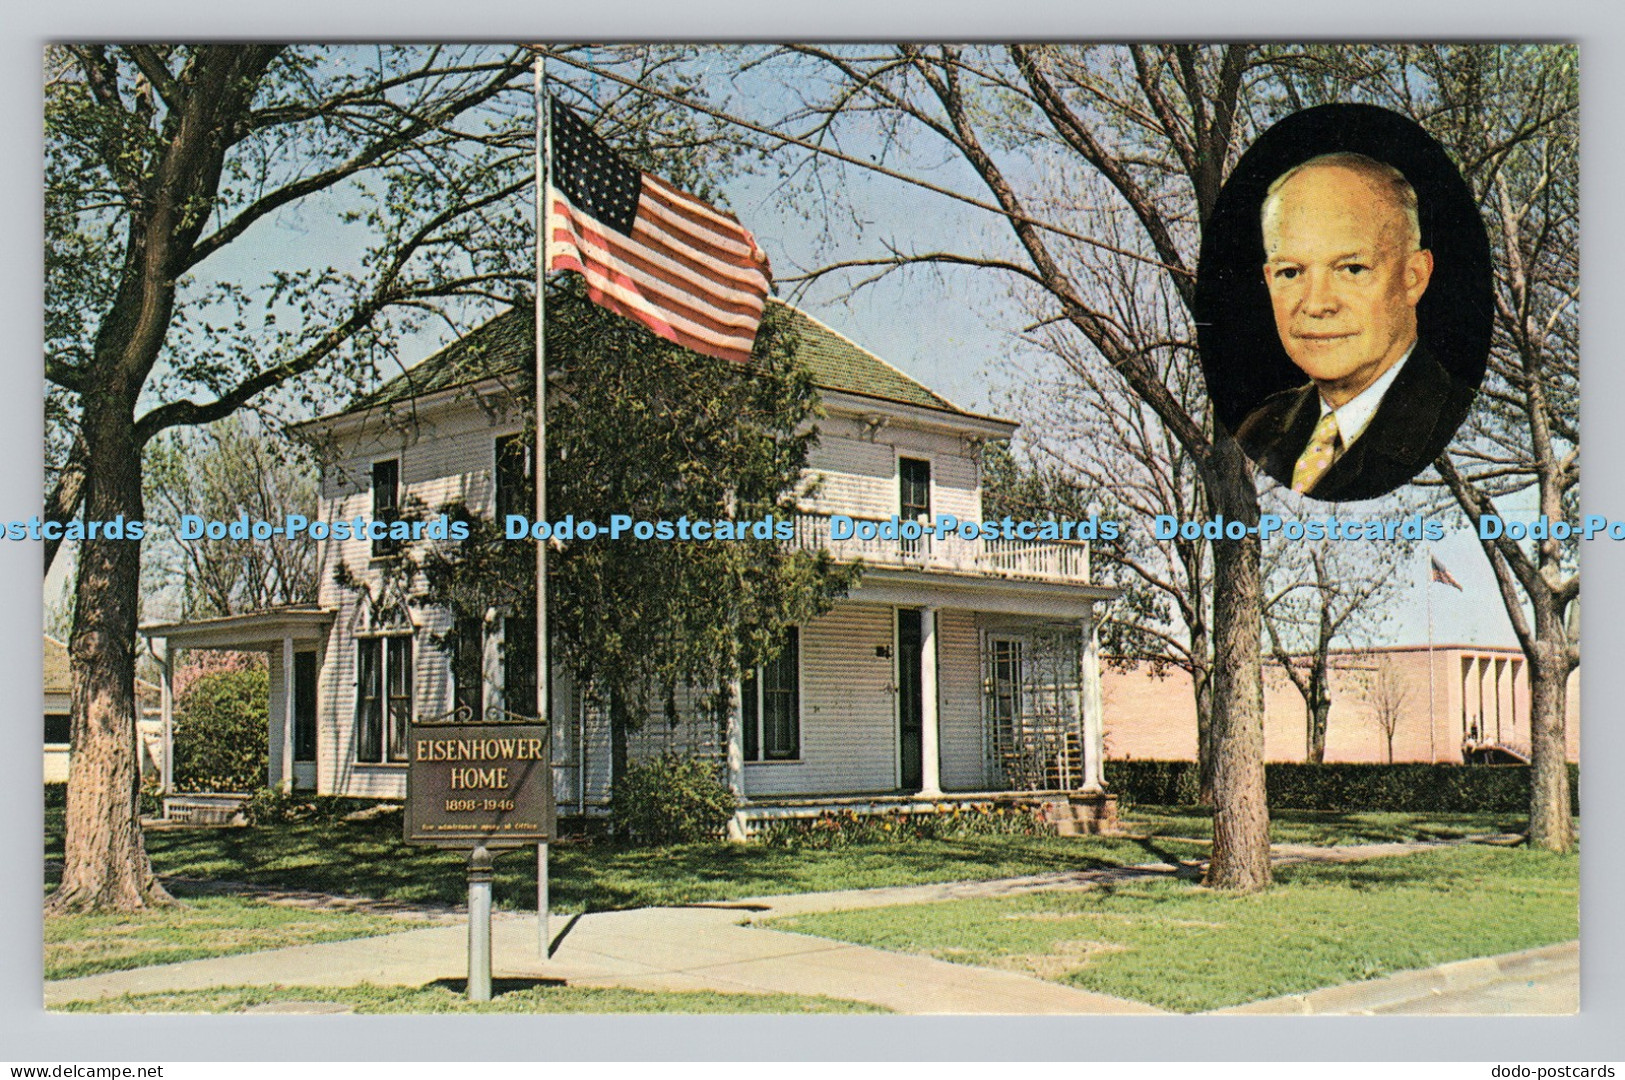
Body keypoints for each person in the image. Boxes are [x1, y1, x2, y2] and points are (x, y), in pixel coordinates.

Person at [1234, 152, 1476, 500]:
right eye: (1291, 272)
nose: (1316, 304)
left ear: (1413, 277)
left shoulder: (1456, 425)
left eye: (1352, 269)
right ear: (1269, 280)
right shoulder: (1259, 429)